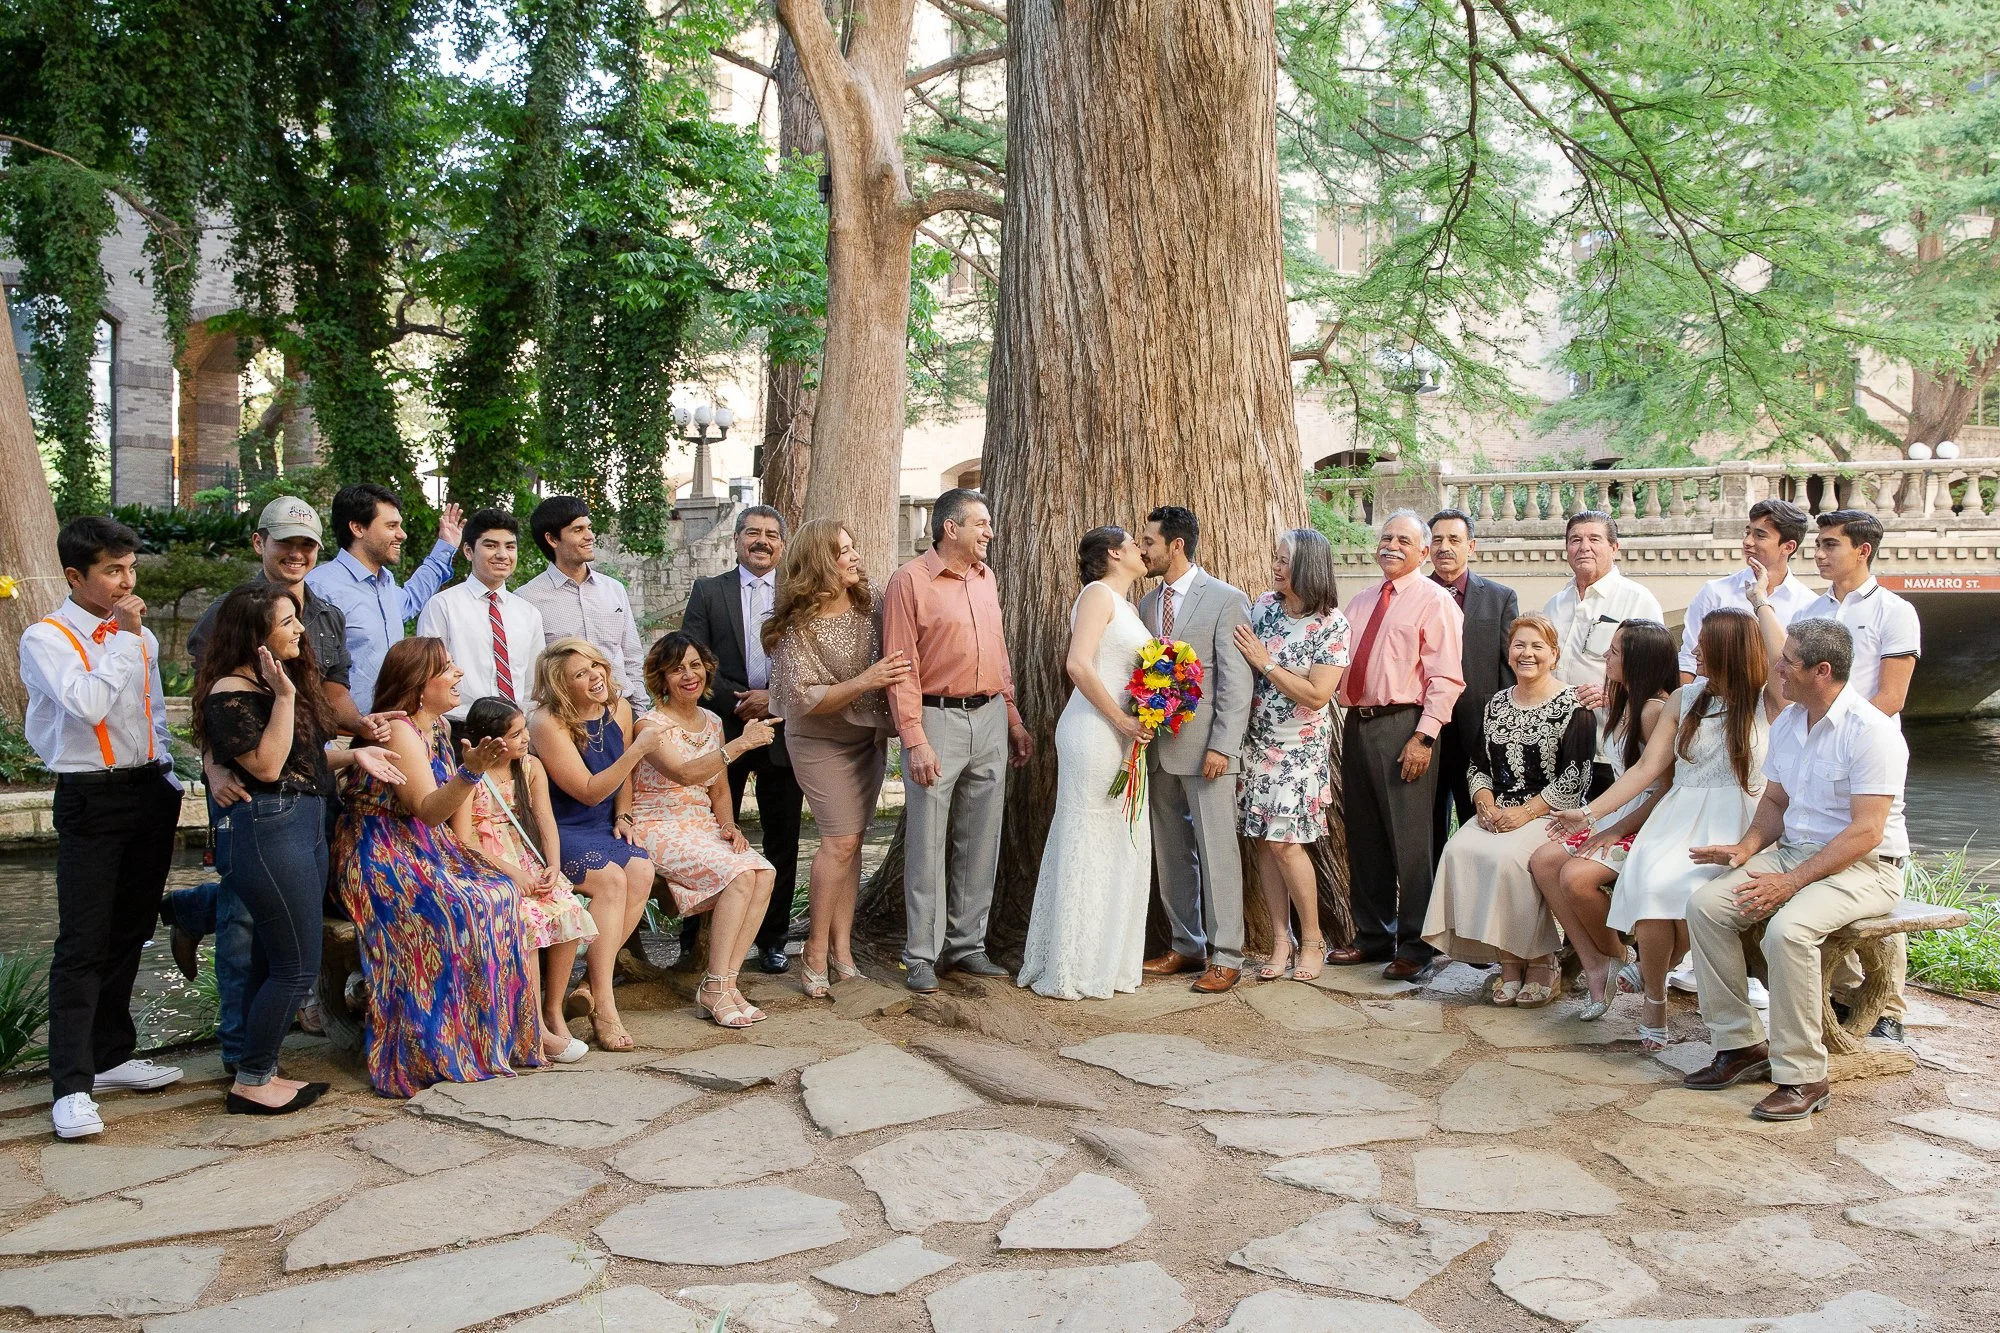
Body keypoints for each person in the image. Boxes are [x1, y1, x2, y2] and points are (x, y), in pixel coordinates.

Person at [168, 494, 381, 1074]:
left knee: (289, 909)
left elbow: (330, 694)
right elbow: (212, 695)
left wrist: (362, 730)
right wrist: (212, 767)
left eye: (307, 545)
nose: (297, 553)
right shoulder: (232, 612)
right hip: (251, 793)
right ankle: (242, 1056)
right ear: (260, 544)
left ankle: (192, 910)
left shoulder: (326, 615)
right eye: (285, 542)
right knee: (244, 923)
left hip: (309, 783)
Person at [1680, 618, 1910, 1122]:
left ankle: (1804, 1074)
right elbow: (1777, 800)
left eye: (1788, 660)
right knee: (1706, 907)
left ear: (1821, 671)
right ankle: (1739, 1044)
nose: (1777, 666)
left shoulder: (1872, 733)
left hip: (1865, 867)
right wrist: (1746, 849)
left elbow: (1866, 832)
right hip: (1795, 854)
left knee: (1788, 931)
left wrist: (1789, 882)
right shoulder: (1789, 721)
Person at [192, 585, 402, 1112]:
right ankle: (253, 1079)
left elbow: (299, 762)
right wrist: (284, 698)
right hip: (269, 829)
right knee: (296, 967)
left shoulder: (271, 685)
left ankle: (256, 1069)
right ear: (255, 635)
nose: (300, 630)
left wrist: (357, 758)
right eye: (287, 622)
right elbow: (264, 767)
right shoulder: (230, 692)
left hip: (302, 822)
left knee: (272, 959)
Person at [1548, 609, 1787, 1045]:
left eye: (1705, 645)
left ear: (1729, 652)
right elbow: (1645, 771)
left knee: (1694, 892)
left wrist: (1762, 601)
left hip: (1737, 821)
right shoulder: (1683, 699)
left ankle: (1651, 977)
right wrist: (1590, 815)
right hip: (1677, 817)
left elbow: (1780, 656)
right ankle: (1654, 999)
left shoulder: (1766, 700)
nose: (1694, 651)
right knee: (1653, 883)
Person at [22, 517, 186, 1138]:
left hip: (148, 791)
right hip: (90, 798)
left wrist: (169, 774)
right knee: (82, 942)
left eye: (131, 569)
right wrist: (124, 637)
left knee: (132, 929)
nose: (126, 581)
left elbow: (150, 717)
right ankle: (70, 1085)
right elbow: (86, 703)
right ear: (75, 576)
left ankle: (112, 1055)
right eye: (113, 571)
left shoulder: (135, 640)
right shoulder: (47, 637)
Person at [332, 637, 544, 1096]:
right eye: (447, 669)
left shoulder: (441, 731)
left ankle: (490, 1039)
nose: (458, 674)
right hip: (380, 846)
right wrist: (470, 773)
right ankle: (434, 1044)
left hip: (427, 844)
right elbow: (427, 810)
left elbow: (454, 826)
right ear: (419, 684)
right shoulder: (403, 730)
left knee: (497, 895)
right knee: (458, 908)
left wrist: (499, 867)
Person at [1746, 507, 1919, 1038]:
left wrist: (1840, 733)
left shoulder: (1894, 610)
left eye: (1830, 545)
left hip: (1864, 748)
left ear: (1863, 550)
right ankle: (1837, 996)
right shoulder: (1810, 606)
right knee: (1813, 865)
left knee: (1866, 849)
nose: (1818, 554)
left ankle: (1887, 1008)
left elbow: (1890, 695)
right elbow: (1785, 673)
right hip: (1811, 741)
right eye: (1817, 545)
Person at [882, 488, 1034, 993]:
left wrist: (1011, 717)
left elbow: (998, 652)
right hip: (936, 719)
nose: (989, 532)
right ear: (952, 528)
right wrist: (914, 738)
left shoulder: (987, 578)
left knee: (981, 839)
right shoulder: (910, 582)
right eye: (981, 524)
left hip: (990, 715)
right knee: (927, 839)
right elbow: (900, 667)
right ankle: (920, 955)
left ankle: (967, 945)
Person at [764, 520, 907, 998]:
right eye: (843, 550)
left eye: (853, 547)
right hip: (819, 743)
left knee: (852, 845)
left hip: (867, 741)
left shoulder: (874, 605)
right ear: (820, 560)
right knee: (839, 842)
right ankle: (814, 948)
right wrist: (868, 680)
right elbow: (803, 698)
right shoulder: (797, 626)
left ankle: (842, 952)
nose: (854, 557)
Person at [1424, 614, 1595, 1004]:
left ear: (1554, 654)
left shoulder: (1574, 705)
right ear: (1508, 652)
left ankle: (1541, 961)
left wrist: (1526, 813)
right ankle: (1508, 962)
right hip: (1499, 810)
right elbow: (1478, 766)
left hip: (1552, 814)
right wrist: (1483, 803)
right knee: (1460, 848)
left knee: (1509, 858)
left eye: (1537, 646)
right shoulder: (1495, 704)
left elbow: (1576, 778)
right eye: (1519, 645)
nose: (1527, 653)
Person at [1016, 527, 1158, 1000]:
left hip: (1125, 735)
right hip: (1094, 732)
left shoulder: (1132, 608)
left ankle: (1108, 962)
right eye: (1136, 543)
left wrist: (1152, 710)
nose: (1144, 548)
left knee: (1120, 841)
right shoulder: (1098, 595)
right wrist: (1120, 718)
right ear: (1115, 554)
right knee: (1088, 838)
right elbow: (1078, 665)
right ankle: (1070, 963)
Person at [1330, 511, 1466, 981]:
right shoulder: (1361, 601)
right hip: (1358, 723)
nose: (1391, 545)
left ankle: (1416, 946)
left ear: (1423, 552)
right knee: (1365, 837)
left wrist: (1423, 737)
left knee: (1412, 846)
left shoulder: (1435, 602)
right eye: (1386, 537)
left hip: (1406, 725)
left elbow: (1446, 678)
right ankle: (1372, 936)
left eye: (1403, 540)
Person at [1523, 619, 1680, 1024]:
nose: (1606, 658)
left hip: (1649, 824)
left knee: (1576, 878)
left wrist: (1612, 829)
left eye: (1614, 652)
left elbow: (1664, 790)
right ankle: (1597, 964)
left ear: (1638, 660)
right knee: (1543, 860)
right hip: (1618, 813)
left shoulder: (1653, 711)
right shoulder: (1626, 701)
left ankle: (1620, 956)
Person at [629, 633, 782, 1027]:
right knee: (738, 874)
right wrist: (743, 744)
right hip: (657, 823)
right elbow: (683, 773)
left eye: (695, 665)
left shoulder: (712, 720)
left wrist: (728, 826)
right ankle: (715, 985)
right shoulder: (650, 724)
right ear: (660, 677)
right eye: (677, 668)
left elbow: (717, 785)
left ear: (707, 669)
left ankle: (725, 985)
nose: (688, 675)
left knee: (763, 872)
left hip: (703, 825)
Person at [678, 505, 804, 975]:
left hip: (783, 732)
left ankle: (773, 939)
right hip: (722, 730)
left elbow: (813, 660)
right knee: (709, 833)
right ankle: (696, 938)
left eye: (772, 534)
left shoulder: (797, 596)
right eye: (753, 532)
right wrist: (742, 699)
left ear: (782, 544)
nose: (762, 541)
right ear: (735, 540)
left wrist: (773, 698)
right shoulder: (709, 592)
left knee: (783, 836)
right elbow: (694, 656)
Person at [1136, 505, 1255, 993]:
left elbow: (1235, 682)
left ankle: (1228, 955)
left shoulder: (1226, 599)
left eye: (1149, 541)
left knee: (1218, 851)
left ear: (1176, 545)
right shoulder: (1144, 605)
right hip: (1157, 749)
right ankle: (1187, 945)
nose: (1142, 549)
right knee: (1171, 852)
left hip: (1207, 750)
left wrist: (1223, 746)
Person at [530, 637, 662, 1049]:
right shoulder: (545, 722)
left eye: (596, 666)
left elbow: (620, 781)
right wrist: (638, 749)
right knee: (610, 882)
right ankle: (605, 1005)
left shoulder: (618, 709)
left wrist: (623, 815)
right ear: (560, 685)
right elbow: (587, 790)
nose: (595, 677)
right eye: (580, 674)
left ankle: (589, 982)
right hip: (561, 826)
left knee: (641, 869)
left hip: (604, 824)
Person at [1230, 528, 1349, 982]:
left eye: (1284, 560)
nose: (1276, 566)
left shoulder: (1332, 624)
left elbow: (1318, 695)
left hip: (1299, 750)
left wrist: (1265, 662)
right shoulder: (1263, 607)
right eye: (1276, 559)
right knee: (1263, 840)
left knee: (1285, 842)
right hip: (1255, 741)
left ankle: (1314, 938)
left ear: (1308, 567)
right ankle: (1282, 940)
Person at [458, 696, 598, 1063]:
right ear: (491, 741)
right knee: (527, 921)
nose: (525, 740)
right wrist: (512, 873)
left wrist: (553, 864)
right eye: (516, 734)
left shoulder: (530, 767)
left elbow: (544, 819)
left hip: (525, 853)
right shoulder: (469, 776)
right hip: (488, 864)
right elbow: (464, 840)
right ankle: (531, 1024)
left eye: (524, 731)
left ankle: (552, 1010)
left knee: (566, 907)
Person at [305, 484, 462, 712]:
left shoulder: (384, 580)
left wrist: (445, 547)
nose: (402, 534)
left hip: (390, 726)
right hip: (343, 735)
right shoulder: (321, 587)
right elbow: (309, 673)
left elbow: (410, 600)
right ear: (358, 528)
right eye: (391, 526)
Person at [1426, 508, 1517, 861]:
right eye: (1437, 540)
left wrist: (1502, 731)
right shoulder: (1414, 595)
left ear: (1471, 546)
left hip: (1478, 734)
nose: (1444, 547)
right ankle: (1432, 910)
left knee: (1478, 824)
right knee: (1428, 828)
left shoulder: (1499, 598)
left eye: (1454, 539)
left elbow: (1508, 670)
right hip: (1422, 733)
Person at [415, 510, 547, 730]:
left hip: (514, 729)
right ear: (468, 551)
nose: (503, 554)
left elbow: (534, 683)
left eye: (510, 546)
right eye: (491, 545)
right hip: (459, 727)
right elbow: (429, 674)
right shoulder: (442, 606)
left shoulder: (528, 613)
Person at [517, 496, 648, 713]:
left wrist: (640, 713)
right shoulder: (527, 599)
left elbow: (631, 656)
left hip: (620, 712)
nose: (590, 536)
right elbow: (528, 674)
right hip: (564, 719)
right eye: (578, 530)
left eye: (589, 527)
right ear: (552, 539)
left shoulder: (613, 589)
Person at [1678, 499, 1817, 683]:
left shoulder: (1808, 604)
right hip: (1710, 706)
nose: (1747, 542)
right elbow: (1688, 659)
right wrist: (1688, 708)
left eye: (1760, 536)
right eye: (1747, 532)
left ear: (1788, 547)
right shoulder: (1715, 592)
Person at [1541, 511, 1663, 709]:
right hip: (1556, 728)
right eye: (1576, 540)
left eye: (1594, 539)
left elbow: (1655, 674)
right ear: (1567, 549)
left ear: (1614, 548)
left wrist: (1614, 696)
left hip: (1607, 727)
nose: (1584, 547)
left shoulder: (1638, 601)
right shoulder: (1554, 605)